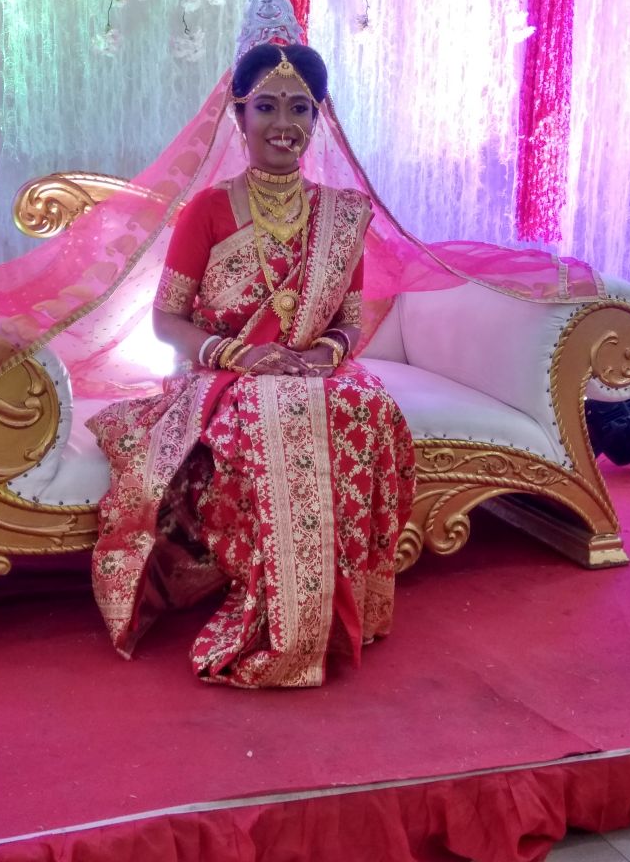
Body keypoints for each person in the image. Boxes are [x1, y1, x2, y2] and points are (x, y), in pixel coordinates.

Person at [87, 41, 416, 688]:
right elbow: (167, 320)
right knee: (271, 417)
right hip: (225, 373)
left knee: (366, 405)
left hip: (317, 371)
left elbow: (350, 321)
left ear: (318, 118)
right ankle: (276, 614)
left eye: (300, 108)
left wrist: (322, 354)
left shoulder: (342, 215)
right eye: (266, 106)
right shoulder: (207, 210)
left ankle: (341, 608)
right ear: (238, 115)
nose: (283, 123)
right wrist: (242, 354)